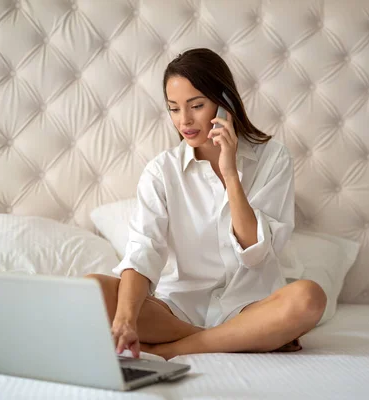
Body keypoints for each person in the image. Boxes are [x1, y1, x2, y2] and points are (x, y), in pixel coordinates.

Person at [86, 48, 326, 361]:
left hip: (252, 306)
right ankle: (241, 338)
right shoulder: (162, 171)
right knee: (92, 291)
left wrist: (230, 174)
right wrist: (125, 320)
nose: (184, 120)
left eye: (196, 105)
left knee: (309, 298)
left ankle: (173, 349)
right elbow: (143, 251)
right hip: (176, 311)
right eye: (174, 109)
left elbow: (257, 251)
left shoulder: (273, 158)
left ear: (224, 103)